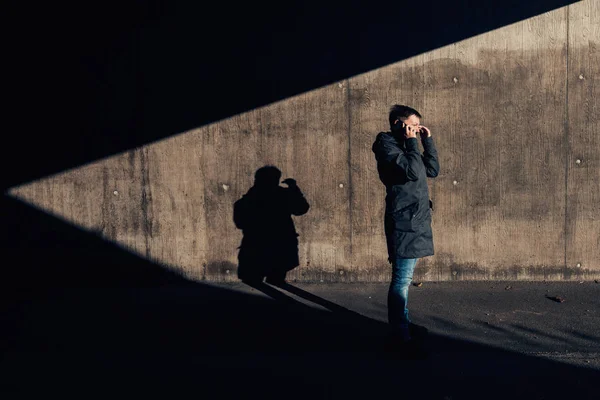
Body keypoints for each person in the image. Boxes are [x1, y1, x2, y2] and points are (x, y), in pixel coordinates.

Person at [372, 104, 440, 349]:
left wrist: (427, 142)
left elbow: (431, 170)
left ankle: (402, 323)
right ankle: (399, 336)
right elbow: (412, 171)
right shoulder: (386, 144)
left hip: (417, 220)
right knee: (401, 280)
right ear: (398, 124)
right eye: (412, 125)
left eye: (417, 126)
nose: (415, 130)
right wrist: (412, 143)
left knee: (406, 278)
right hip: (403, 222)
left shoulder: (408, 145)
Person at [234, 166, 310, 285]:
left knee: (254, 279)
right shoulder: (282, 196)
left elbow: (240, 223)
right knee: (274, 277)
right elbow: (301, 209)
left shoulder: (249, 198)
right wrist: (294, 189)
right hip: (279, 244)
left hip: (257, 244)